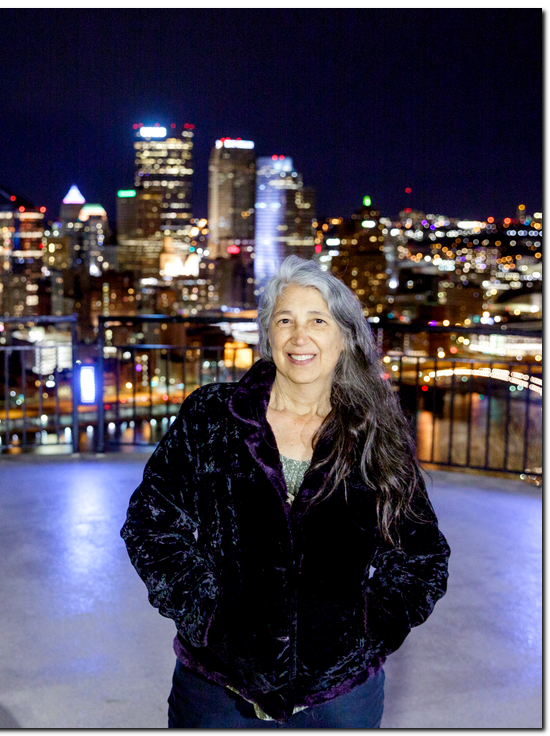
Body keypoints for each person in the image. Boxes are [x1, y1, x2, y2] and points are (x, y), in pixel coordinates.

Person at [121, 255, 450, 728]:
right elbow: (150, 526)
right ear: (268, 335)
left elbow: (422, 555)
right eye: (285, 321)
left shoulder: (373, 435)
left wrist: (366, 630)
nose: (300, 337)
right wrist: (209, 620)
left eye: (318, 321)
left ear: (345, 336)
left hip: (340, 700)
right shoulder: (211, 417)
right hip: (218, 688)